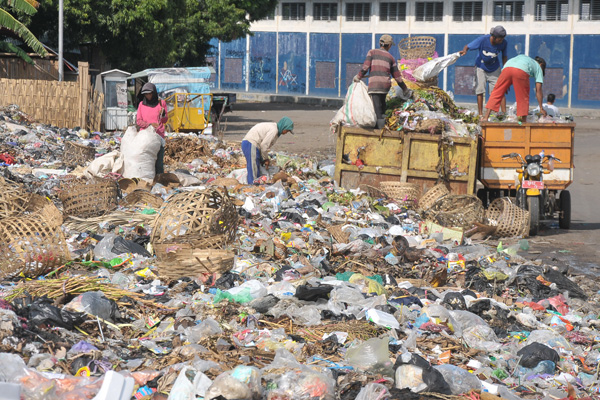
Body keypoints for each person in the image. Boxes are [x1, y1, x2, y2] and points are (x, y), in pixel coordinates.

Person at [353, 34, 412, 129]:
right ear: (388, 45)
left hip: (375, 84)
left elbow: (365, 67)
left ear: (380, 43)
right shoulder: (390, 57)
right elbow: (397, 77)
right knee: (382, 105)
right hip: (385, 86)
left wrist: (358, 76)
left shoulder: (371, 52)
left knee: (377, 109)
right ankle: (383, 124)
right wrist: (405, 89)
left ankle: (380, 130)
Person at [459, 26, 508, 116]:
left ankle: (504, 114)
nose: (501, 41)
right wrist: (464, 51)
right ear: (493, 37)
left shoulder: (503, 43)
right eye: (500, 39)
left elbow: (504, 56)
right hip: (481, 67)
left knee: (500, 90)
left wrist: (505, 69)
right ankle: (481, 114)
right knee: (480, 90)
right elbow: (467, 46)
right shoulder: (482, 40)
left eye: (502, 39)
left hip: (495, 68)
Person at [483, 55, 548, 122]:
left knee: (496, 92)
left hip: (507, 68)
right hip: (521, 70)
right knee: (523, 97)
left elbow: (511, 70)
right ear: (541, 65)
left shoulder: (526, 59)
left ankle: (485, 117)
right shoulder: (538, 67)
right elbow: (538, 90)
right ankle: (523, 122)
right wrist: (541, 108)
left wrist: (506, 85)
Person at [241, 117, 294, 184]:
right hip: (250, 143)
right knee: (253, 167)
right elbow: (264, 146)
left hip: (255, 146)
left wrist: (263, 159)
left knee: (257, 166)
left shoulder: (275, 130)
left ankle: (257, 184)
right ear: (284, 127)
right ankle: (252, 186)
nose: (286, 132)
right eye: (287, 130)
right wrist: (266, 159)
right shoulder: (274, 130)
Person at [136, 82, 168, 174]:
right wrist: (150, 125)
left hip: (158, 136)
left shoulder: (161, 103)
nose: (148, 96)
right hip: (145, 137)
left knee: (158, 162)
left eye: (150, 93)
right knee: (145, 161)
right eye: (146, 94)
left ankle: (159, 180)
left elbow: (165, 120)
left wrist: (163, 114)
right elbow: (139, 121)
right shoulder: (141, 104)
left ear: (154, 93)